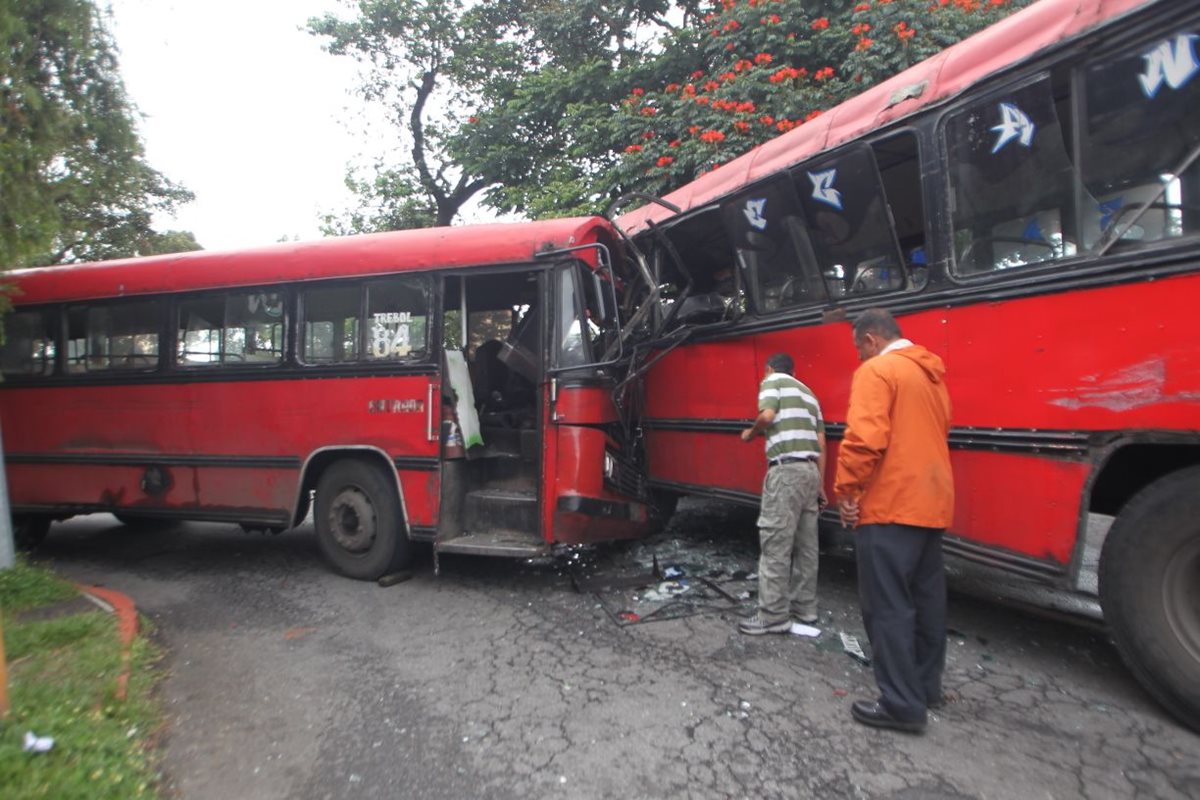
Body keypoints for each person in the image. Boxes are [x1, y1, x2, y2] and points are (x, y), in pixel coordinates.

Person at [834, 308, 954, 733]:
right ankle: (925, 687)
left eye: (857, 349)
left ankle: (902, 704)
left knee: (888, 607)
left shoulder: (878, 371)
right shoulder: (930, 376)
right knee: (926, 604)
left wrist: (847, 492)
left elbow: (864, 440)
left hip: (890, 504)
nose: (858, 358)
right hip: (932, 503)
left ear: (870, 339)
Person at [738, 352, 827, 635]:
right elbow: (821, 443)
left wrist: (751, 434)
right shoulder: (810, 395)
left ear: (769, 369)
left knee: (776, 543)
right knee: (807, 546)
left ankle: (773, 615)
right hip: (810, 472)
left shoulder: (772, 381)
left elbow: (767, 415)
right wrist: (820, 485)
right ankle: (805, 609)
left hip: (785, 471)